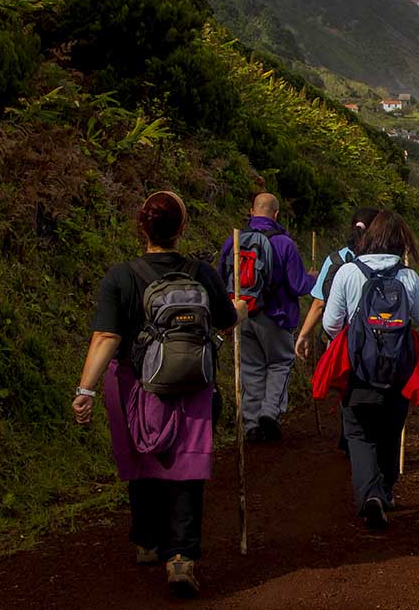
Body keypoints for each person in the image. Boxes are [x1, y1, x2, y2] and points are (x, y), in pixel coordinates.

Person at [72, 191, 247, 596]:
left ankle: (148, 540)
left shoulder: (120, 277)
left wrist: (85, 390)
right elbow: (226, 319)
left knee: (141, 457)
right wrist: (240, 308)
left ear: (141, 227)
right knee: (187, 467)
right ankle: (181, 557)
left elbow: (106, 337)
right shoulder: (202, 273)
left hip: (135, 385)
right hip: (192, 385)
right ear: (181, 228)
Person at [322, 211, 419, 529]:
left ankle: (370, 495)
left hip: (358, 372)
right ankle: (385, 488)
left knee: (359, 434)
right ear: (403, 242)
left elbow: (330, 324)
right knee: (390, 432)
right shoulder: (408, 277)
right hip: (397, 371)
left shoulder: (348, 271)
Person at [220, 192, 316, 442]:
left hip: (242, 313)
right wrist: (313, 278)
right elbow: (299, 285)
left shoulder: (234, 241)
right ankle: (270, 413)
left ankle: (251, 424)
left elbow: (221, 279)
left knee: (251, 367)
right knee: (279, 363)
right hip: (276, 316)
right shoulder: (284, 244)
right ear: (276, 214)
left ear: (252, 212)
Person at [294, 207, 380, 362]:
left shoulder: (335, 260)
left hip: (340, 343)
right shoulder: (384, 262)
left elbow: (319, 303)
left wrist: (304, 334)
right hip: (378, 344)